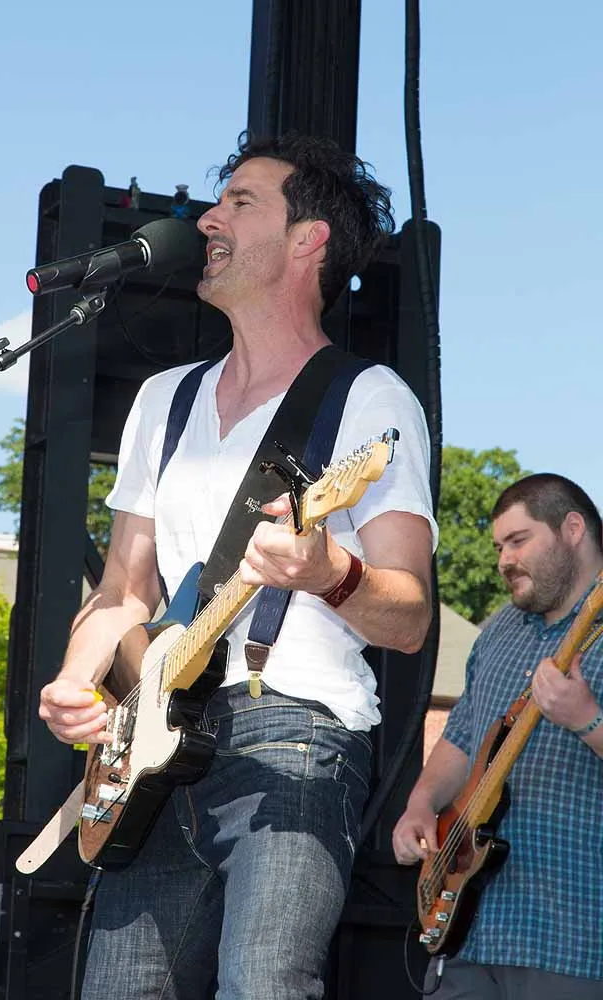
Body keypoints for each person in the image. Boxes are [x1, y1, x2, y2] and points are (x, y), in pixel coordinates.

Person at [39, 131, 437, 1000]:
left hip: (295, 735)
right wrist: (75, 679)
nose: (209, 220)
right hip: (155, 748)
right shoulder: (165, 398)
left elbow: (410, 618)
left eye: (240, 202)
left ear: (308, 239)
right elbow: (123, 591)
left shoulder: (367, 398)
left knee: (263, 985)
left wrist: (329, 572)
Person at [393, 473, 603, 998]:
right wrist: (421, 803)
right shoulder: (498, 632)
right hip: (470, 934)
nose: (504, 560)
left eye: (518, 540)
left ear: (572, 529)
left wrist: (587, 720)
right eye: (498, 547)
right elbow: (462, 737)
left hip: (574, 939)